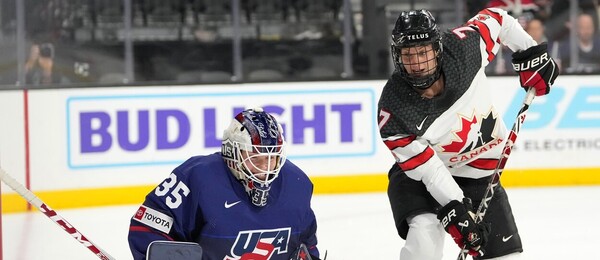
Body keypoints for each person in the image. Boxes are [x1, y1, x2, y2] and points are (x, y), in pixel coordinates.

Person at [378, 8, 558, 260]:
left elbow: (499, 19)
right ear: (397, 56)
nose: (417, 63)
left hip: (479, 175)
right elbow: (430, 173)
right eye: (408, 55)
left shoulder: (464, 49)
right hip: (420, 181)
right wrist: (457, 208)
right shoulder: (393, 109)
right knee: (424, 243)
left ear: (437, 49)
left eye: (423, 52)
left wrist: (530, 52)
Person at [128, 107, 322, 260]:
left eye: (272, 157)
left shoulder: (297, 184)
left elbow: (307, 242)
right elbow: (147, 228)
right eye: (256, 158)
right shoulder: (197, 177)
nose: (266, 168)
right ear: (232, 152)